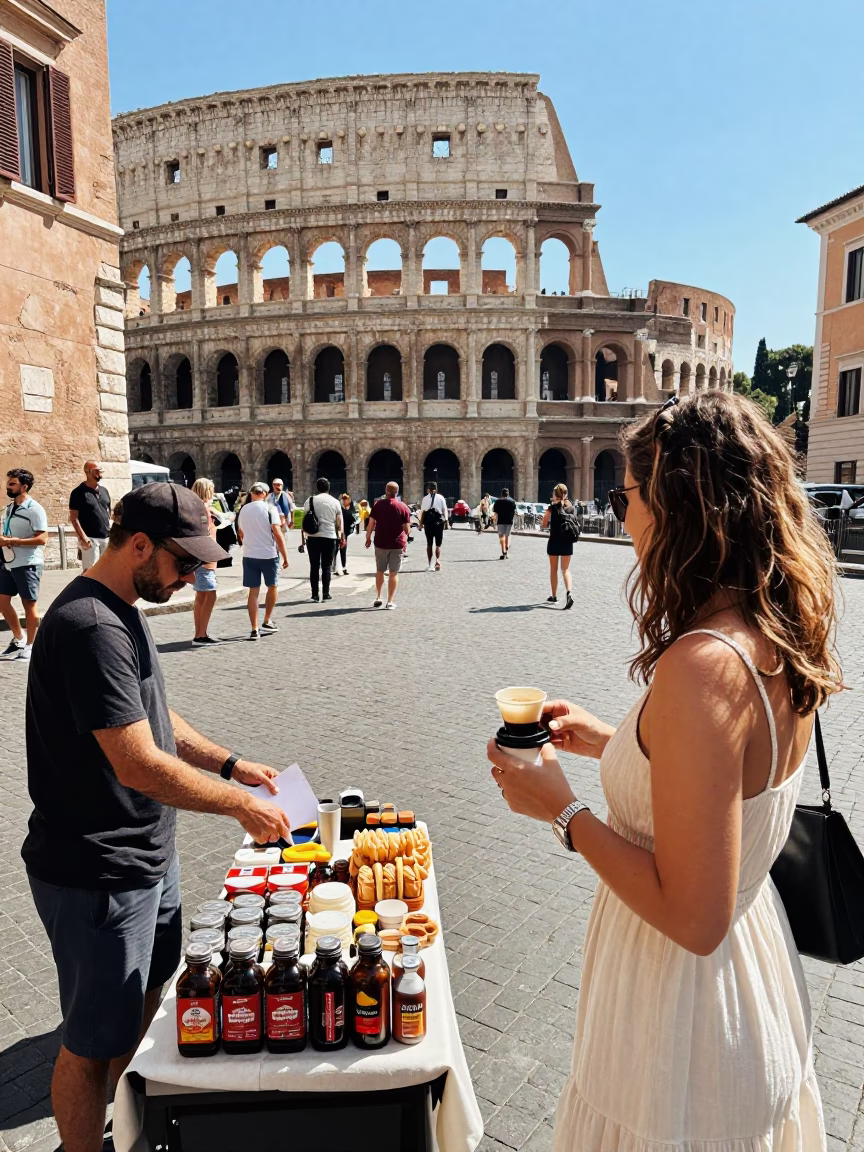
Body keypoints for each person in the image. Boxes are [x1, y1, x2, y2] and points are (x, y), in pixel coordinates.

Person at [487, 393, 840, 1150]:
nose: (622, 515)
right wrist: (612, 742)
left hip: (682, 1009)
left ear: (677, 505)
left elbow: (693, 917)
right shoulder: (771, 634)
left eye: (627, 495)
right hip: (753, 975)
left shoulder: (703, 665)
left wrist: (563, 812)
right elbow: (727, 782)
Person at [22, 482, 291, 1152]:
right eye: (182, 561)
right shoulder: (88, 625)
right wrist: (240, 806)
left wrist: (231, 765)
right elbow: (138, 762)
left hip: (144, 855)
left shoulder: (124, 604)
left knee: (135, 1008)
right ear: (137, 544)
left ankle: (125, 1114)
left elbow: (152, 715)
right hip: (97, 868)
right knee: (87, 1044)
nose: (192, 574)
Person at [0, 468, 48, 661]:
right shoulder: (9, 508)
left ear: (24, 486)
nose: (7, 486)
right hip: (8, 562)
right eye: (8, 483)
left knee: (29, 604)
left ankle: (30, 645)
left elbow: (43, 538)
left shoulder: (35, 509)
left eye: (12, 483)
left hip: (28, 563)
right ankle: (18, 638)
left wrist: (13, 541)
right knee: (2, 601)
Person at [236, 482, 289, 639]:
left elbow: (240, 533)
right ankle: (267, 620)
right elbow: (277, 533)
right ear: (265, 494)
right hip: (268, 554)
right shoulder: (270, 509)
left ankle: (254, 628)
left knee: (253, 592)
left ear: (252, 494)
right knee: (272, 586)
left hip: (249, 555)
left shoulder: (243, 509)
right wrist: (285, 556)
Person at [365, 481, 411, 609]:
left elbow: (371, 523)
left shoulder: (378, 505)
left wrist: (368, 537)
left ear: (386, 491)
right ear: (397, 492)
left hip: (380, 542)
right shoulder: (403, 507)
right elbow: (407, 530)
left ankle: (379, 597)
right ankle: (390, 601)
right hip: (397, 543)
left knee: (380, 570)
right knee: (393, 572)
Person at [301, 477, 343, 601]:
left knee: (314, 566)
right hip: (330, 537)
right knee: (326, 566)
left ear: (317, 488)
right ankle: (326, 593)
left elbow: (304, 521)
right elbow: (339, 522)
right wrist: (341, 536)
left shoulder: (310, 500)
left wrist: (303, 540)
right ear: (329, 488)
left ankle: (314, 595)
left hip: (313, 537)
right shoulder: (335, 502)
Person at [190, 478, 220, 645]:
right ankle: (201, 635)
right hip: (205, 557)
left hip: (198, 556)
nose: (214, 493)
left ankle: (199, 632)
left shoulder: (192, 508)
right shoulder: (203, 509)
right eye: (212, 489)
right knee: (210, 594)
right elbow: (204, 533)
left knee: (201, 596)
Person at [69, 461, 112, 572]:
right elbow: (74, 518)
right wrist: (83, 538)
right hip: (90, 538)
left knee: (107, 570)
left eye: (100, 471)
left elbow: (108, 513)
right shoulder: (78, 493)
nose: (100, 474)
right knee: (90, 571)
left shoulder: (104, 491)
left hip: (106, 538)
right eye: (97, 471)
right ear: (88, 472)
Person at [542, 483, 575, 609]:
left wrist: (545, 520)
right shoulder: (571, 507)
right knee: (565, 570)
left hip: (554, 541)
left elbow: (544, 524)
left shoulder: (552, 508)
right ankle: (569, 593)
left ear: (556, 494)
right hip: (567, 541)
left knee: (553, 570)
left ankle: (554, 595)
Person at [419, 482, 449, 571]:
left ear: (428, 489)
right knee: (438, 544)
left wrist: (421, 523)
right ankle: (437, 561)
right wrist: (446, 520)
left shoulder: (425, 498)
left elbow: (423, 511)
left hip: (429, 521)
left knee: (429, 543)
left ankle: (430, 564)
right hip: (439, 520)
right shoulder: (441, 497)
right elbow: (444, 509)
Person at [492, 487, 517, 558]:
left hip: (500, 521)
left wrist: (494, 522)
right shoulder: (512, 501)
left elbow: (495, 513)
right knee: (508, 536)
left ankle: (503, 550)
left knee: (501, 536)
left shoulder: (497, 501)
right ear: (508, 493)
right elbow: (514, 511)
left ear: (501, 494)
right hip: (509, 521)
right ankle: (507, 546)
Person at [335, 493, 356, 575]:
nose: (344, 500)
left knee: (343, 550)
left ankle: (344, 567)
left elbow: (354, 518)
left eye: (346, 499)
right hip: (337, 531)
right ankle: (336, 568)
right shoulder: (339, 508)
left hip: (345, 532)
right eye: (343, 499)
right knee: (335, 550)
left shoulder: (352, 508)